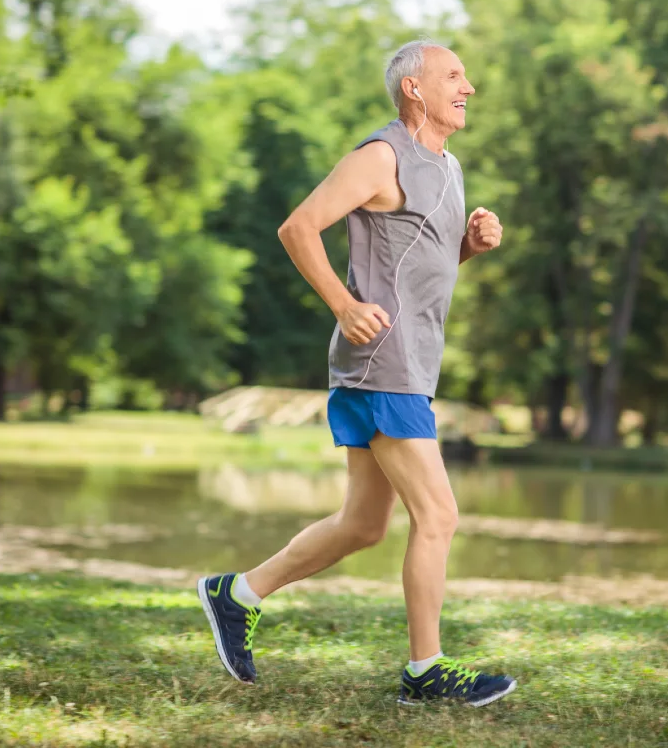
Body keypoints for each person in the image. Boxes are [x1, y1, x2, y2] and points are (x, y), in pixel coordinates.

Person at [197, 38, 516, 708]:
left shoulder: (448, 168)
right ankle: (425, 671)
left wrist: (469, 247)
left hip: (408, 366)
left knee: (364, 526)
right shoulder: (381, 156)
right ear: (413, 88)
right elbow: (298, 227)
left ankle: (238, 594)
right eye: (454, 75)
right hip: (383, 365)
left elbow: (417, 272)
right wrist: (343, 306)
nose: (470, 86)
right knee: (438, 515)